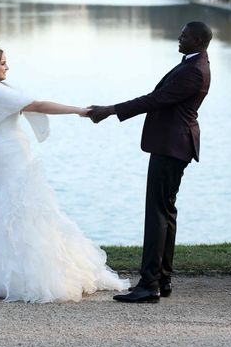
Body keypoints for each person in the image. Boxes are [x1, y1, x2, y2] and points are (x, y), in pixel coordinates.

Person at [0, 42, 128, 303]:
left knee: (20, 209)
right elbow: (35, 105)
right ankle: (27, 276)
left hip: (8, 151)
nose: (7, 67)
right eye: (2, 63)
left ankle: (14, 272)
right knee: (19, 208)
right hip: (9, 155)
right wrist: (77, 110)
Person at [87, 21, 212, 303]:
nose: (178, 37)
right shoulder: (194, 64)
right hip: (174, 145)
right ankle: (162, 280)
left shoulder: (193, 71)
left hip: (172, 147)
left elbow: (156, 100)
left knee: (157, 214)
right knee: (165, 212)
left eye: (184, 35)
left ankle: (149, 285)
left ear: (197, 39)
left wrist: (111, 110)